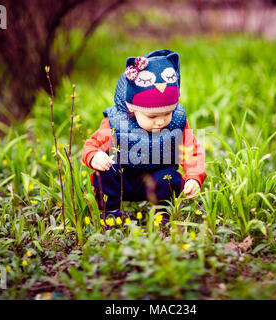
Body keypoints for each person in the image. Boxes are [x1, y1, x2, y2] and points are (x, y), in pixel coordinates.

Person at [82, 49, 206, 226]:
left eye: (167, 113)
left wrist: (194, 177)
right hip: (125, 180)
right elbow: (92, 144)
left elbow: (191, 150)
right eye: (152, 117)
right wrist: (94, 156)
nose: (160, 122)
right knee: (107, 172)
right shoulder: (117, 121)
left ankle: (162, 212)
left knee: (169, 178)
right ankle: (111, 212)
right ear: (132, 108)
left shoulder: (177, 122)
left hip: (157, 178)